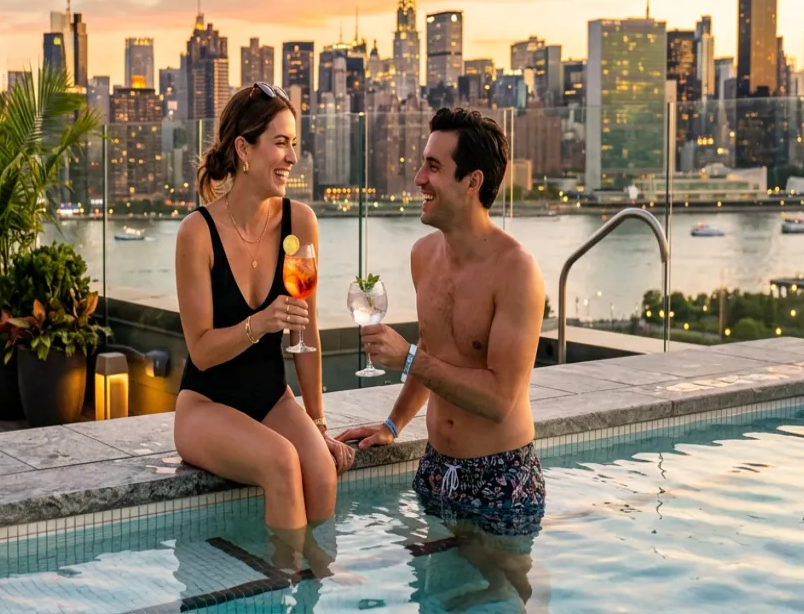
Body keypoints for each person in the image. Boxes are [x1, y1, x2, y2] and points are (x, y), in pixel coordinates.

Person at [338, 107, 546, 598]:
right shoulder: (422, 257)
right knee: (434, 603)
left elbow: (499, 399)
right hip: (436, 472)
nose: (419, 178)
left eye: (433, 166)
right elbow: (437, 346)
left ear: (472, 181)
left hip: (501, 478)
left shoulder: (517, 272)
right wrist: (393, 424)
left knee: (495, 603)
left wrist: (407, 358)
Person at [173, 83, 356, 558]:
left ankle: (315, 586)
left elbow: (307, 330)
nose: (292, 156)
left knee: (318, 466)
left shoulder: (301, 223)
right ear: (243, 150)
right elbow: (202, 351)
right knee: (280, 461)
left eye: (294, 142)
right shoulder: (198, 233)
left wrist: (316, 420)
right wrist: (260, 322)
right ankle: (279, 589)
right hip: (206, 405)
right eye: (280, 142)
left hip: (270, 398)